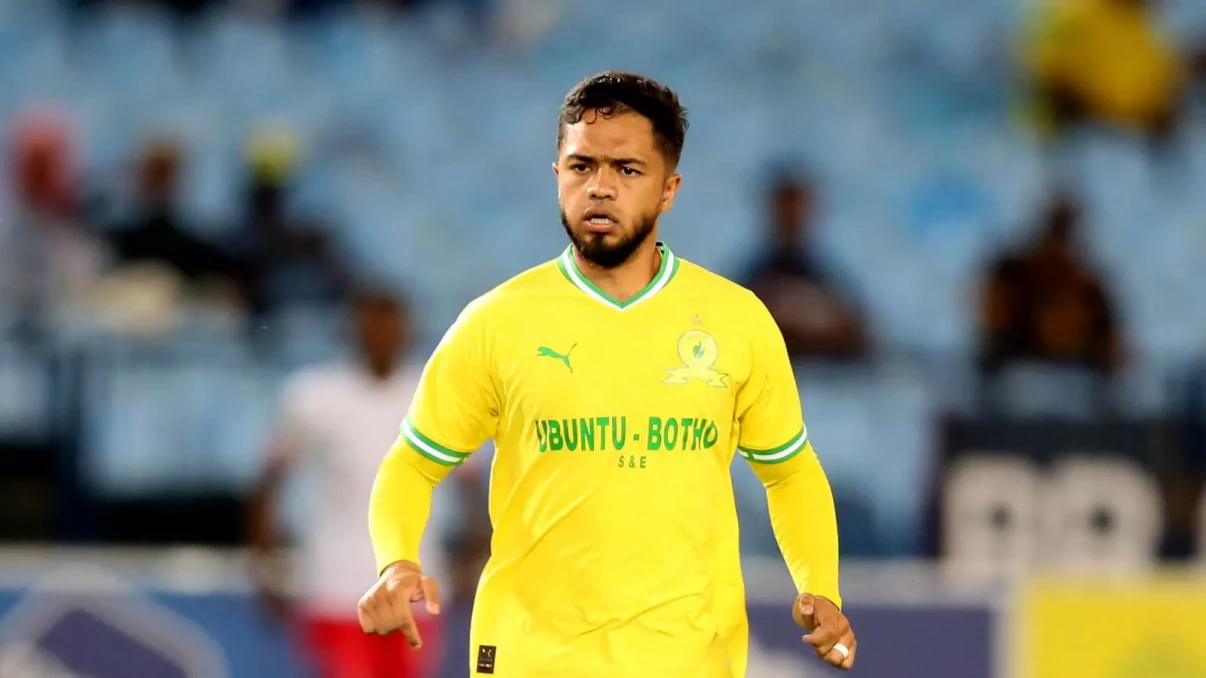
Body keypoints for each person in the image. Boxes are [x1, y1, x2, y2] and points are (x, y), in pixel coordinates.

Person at [358, 71, 856, 676]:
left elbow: (790, 471)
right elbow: (412, 464)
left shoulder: (737, 320)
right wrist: (396, 562)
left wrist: (820, 587)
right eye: (582, 166)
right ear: (557, 175)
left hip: (688, 660)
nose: (600, 186)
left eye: (627, 169)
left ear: (668, 189)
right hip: (533, 658)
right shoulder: (496, 322)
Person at [249, 288, 485, 678]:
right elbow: (270, 482)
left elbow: (472, 486)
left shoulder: (437, 395)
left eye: (390, 326)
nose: (381, 336)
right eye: (371, 326)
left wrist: (473, 563)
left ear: (407, 331)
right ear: (353, 330)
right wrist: (265, 567)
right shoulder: (313, 396)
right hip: (333, 588)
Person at [743, 173, 869, 361]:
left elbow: (859, 335)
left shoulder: (826, 281)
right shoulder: (756, 278)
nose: (793, 219)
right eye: (786, 212)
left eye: (797, 211)